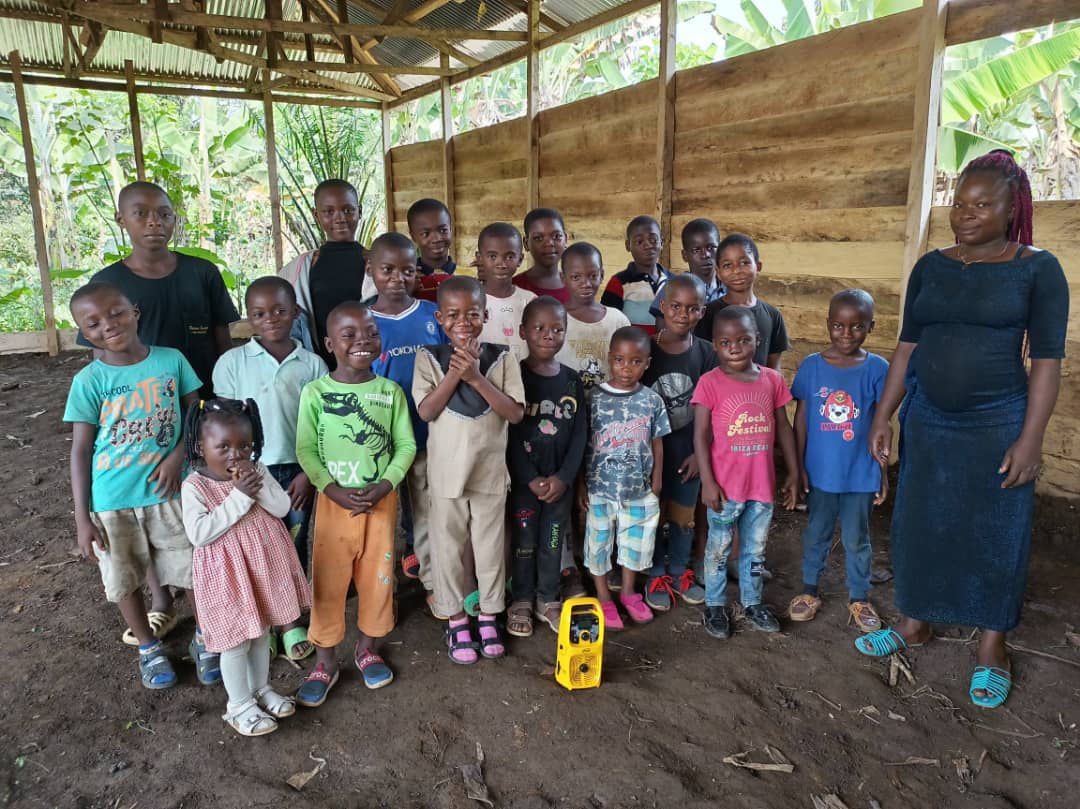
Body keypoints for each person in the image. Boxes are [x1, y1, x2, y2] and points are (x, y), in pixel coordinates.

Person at [855, 150, 1069, 710]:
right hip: (930, 419)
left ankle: (992, 643)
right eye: (959, 203)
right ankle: (915, 620)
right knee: (919, 520)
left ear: (1012, 208)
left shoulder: (1037, 268)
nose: (966, 214)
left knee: (997, 528)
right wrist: (886, 414)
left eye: (982, 204)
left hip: (998, 420)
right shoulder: (932, 265)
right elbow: (908, 346)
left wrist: (1031, 438)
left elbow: (1047, 360)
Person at [80, 182, 240, 639]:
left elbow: (220, 335)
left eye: (164, 213)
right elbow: (102, 363)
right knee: (149, 500)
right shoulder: (106, 285)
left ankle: (211, 594)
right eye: (141, 213)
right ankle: (163, 599)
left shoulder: (201, 273)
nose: (154, 222)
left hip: (199, 407)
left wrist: (222, 397)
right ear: (121, 221)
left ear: (174, 218)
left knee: (196, 503)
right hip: (144, 421)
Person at [64, 282, 207, 690]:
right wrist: (83, 519)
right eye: (93, 323)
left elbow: (196, 411)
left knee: (192, 568)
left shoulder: (171, 361)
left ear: (135, 311)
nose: (108, 325)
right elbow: (80, 450)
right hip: (113, 500)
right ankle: (148, 647)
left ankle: (205, 637)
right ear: (82, 332)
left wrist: (179, 455)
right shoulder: (89, 381)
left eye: (116, 313)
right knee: (123, 576)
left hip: (171, 492)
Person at [294, 302, 417, 706]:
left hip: (381, 506)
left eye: (370, 333)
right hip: (334, 507)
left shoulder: (389, 392)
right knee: (328, 581)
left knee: (378, 578)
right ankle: (325, 662)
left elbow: (405, 445)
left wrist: (386, 485)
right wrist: (330, 489)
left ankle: (368, 649)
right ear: (329, 343)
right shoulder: (316, 393)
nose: (362, 341)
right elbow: (306, 450)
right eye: (349, 335)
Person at [211, 276, 327, 661]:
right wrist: (239, 474)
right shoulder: (232, 362)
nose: (271, 319)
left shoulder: (311, 364)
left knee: (292, 544)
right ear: (249, 318)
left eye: (280, 310)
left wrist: (310, 473)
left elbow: (322, 424)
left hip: (298, 470)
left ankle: (291, 620)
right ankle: (263, 619)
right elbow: (223, 424)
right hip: (250, 473)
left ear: (295, 313)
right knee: (254, 545)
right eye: (260, 313)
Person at [180, 398, 311, 736]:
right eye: (223, 447)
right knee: (236, 642)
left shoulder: (259, 471)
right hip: (228, 577)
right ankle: (238, 705)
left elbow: (282, 508)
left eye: (244, 447)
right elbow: (200, 533)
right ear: (200, 445)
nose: (235, 456)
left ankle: (261, 690)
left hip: (262, 568)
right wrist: (239, 496)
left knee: (260, 633)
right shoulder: (195, 486)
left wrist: (257, 484)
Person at [413, 277, 525, 665]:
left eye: (473, 314)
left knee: (490, 548)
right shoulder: (428, 357)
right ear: (440, 318)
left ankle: (489, 614)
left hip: (491, 475)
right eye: (454, 315)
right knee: (448, 548)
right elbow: (427, 411)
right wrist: (454, 375)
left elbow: (514, 412)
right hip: (446, 477)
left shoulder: (503, 357)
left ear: (485, 316)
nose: (464, 322)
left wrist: (476, 377)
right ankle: (456, 617)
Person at [692, 306, 799, 640]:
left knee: (755, 550)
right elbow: (700, 436)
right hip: (724, 488)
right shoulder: (709, 383)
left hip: (762, 487)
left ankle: (753, 603)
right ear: (714, 345)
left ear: (758, 340)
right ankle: (715, 605)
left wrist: (794, 472)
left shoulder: (772, 380)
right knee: (719, 549)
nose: (734, 347)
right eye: (725, 342)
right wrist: (708, 483)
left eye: (743, 340)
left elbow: (783, 426)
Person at [789, 289, 888, 632]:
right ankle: (809, 591)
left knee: (857, 538)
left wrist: (883, 472)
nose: (847, 334)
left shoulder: (877, 369)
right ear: (828, 324)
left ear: (871, 327)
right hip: (820, 475)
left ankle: (859, 596)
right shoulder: (812, 367)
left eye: (857, 327)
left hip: (860, 474)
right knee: (816, 532)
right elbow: (800, 420)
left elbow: (885, 424)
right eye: (839, 326)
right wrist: (797, 467)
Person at [366, 233, 448, 608]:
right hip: (376, 440)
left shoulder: (433, 316)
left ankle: (431, 580)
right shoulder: (362, 319)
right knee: (379, 518)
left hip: (426, 435)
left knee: (428, 510)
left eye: (407, 270)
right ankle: (381, 593)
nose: (398, 278)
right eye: (387, 270)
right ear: (371, 271)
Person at [581, 326, 671, 632]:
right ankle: (604, 595)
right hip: (600, 489)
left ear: (647, 363)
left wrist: (657, 480)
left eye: (635, 361)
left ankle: (630, 592)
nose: (626, 368)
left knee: (636, 543)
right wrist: (581, 483)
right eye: (619, 360)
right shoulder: (594, 398)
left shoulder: (651, 401)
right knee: (599, 543)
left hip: (639, 489)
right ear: (609, 359)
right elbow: (582, 443)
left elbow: (657, 441)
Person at [506, 297, 587, 637]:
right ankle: (521, 598)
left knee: (553, 541)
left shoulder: (572, 381)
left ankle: (548, 598)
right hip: (526, 484)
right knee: (524, 542)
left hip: (558, 485)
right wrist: (530, 478)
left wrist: (564, 478)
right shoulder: (514, 378)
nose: (548, 335)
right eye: (539, 328)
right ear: (523, 332)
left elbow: (581, 434)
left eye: (557, 329)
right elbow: (508, 434)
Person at [641, 275, 716, 612]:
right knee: (653, 516)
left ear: (702, 311)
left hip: (690, 455)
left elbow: (715, 409)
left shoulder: (707, 354)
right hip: (651, 457)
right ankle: (655, 572)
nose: (683, 314)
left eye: (692, 308)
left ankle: (680, 569)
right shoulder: (644, 352)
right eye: (675, 306)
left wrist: (702, 456)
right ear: (662, 307)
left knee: (684, 517)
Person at [281, 179, 367, 367]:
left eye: (348, 210)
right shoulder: (302, 267)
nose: (340, 218)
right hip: (320, 369)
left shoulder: (376, 263)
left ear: (359, 211)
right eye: (329, 211)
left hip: (368, 364)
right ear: (316, 215)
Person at [694, 234, 789, 371]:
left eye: (744, 263)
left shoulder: (772, 316)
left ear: (758, 266)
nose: (737, 271)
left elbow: (774, 369)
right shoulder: (707, 314)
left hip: (759, 392)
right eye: (727, 265)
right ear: (718, 273)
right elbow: (700, 363)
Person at [555, 243, 631, 391]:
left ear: (602, 275)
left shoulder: (617, 320)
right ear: (563, 278)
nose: (586, 284)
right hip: (566, 405)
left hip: (608, 406)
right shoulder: (555, 320)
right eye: (576, 277)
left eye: (593, 276)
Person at [600, 216, 672, 336]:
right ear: (628, 245)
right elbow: (609, 322)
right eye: (639, 241)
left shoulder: (673, 281)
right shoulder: (619, 283)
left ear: (662, 242)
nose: (648, 245)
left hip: (667, 350)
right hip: (633, 352)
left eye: (653, 240)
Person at [649, 218, 726, 326]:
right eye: (696, 250)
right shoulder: (673, 287)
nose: (705, 255)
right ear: (685, 255)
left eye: (711, 247)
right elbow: (662, 329)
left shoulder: (729, 289)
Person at [477, 222, 535, 361]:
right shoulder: (471, 301)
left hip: (522, 379)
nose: (501, 264)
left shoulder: (530, 301)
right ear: (479, 258)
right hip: (480, 378)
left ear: (520, 259)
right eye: (492, 256)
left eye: (509, 257)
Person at [401, 198, 457, 304]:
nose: (436, 239)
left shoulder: (468, 276)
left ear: (451, 229)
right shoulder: (407, 279)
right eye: (425, 234)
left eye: (443, 230)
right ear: (413, 236)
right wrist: (407, 294)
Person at [514, 208, 570, 303]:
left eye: (556, 236)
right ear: (526, 243)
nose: (549, 243)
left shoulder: (577, 286)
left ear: (565, 239)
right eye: (538, 238)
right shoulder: (514, 288)